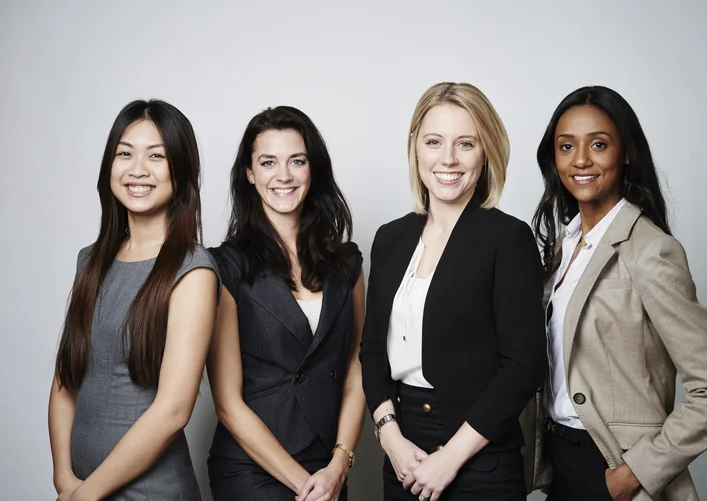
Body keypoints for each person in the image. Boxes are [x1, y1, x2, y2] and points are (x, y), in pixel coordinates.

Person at [531, 85, 707, 501]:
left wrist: (634, 474)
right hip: (560, 460)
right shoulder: (562, 247)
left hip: (613, 467)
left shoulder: (651, 250)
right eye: (566, 146)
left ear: (625, 153)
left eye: (598, 144)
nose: (581, 160)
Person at [360, 82, 547, 501]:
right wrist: (390, 437)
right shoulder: (390, 239)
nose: (448, 159)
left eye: (466, 143)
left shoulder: (508, 239)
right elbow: (372, 349)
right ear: (415, 149)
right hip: (403, 457)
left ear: (487, 152)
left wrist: (451, 458)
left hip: (480, 460)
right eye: (434, 142)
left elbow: (523, 366)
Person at [48, 99, 220, 500]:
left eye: (156, 156)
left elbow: (174, 410)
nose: (137, 169)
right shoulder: (90, 261)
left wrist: (88, 494)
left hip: (152, 492)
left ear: (181, 170)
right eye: (124, 153)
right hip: (80, 488)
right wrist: (64, 480)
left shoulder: (193, 270)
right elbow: (65, 380)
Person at [206, 106, 365, 501]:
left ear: (314, 169)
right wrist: (303, 485)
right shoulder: (225, 266)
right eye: (268, 162)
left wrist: (338, 466)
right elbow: (227, 403)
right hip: (251, 466)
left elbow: (357, 367)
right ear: (249, 173)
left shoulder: (347, 264)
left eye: (297, 161)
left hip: (328, 464)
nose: (284, 176)